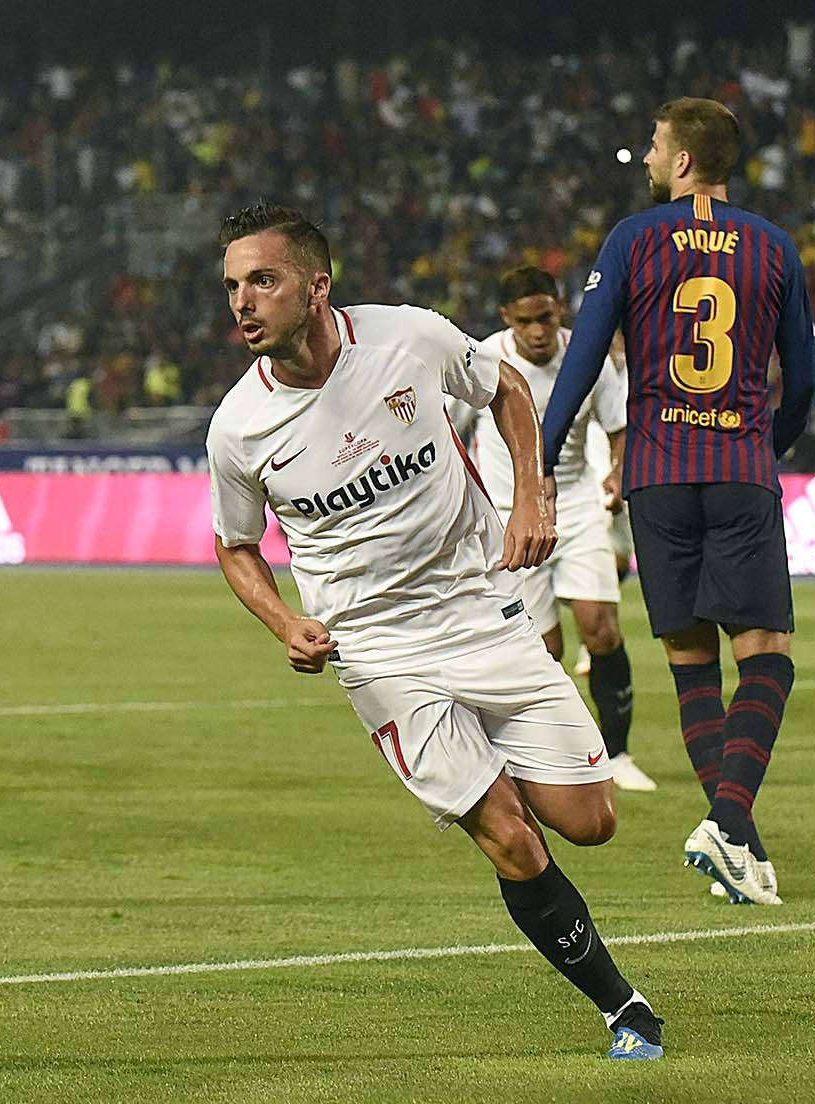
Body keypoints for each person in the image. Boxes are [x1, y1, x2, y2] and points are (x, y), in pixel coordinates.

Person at [207, 204, 664, 1060]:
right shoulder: (237, 426)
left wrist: (533, 493)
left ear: (316, 286)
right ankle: (624, 1007)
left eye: (261, 281)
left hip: (480, 611)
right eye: (232, 286)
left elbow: (508, 389)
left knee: (591, 819)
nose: (242, 302)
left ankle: (483, 778)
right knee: (511, 838)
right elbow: (235, 546)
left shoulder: (408, 338)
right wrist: (284, 621)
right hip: (377, 651)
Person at [542, 99, 815, 905]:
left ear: (686, 161)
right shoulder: (774, 246)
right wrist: (771, 443)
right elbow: (801, 381)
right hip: (739, 466)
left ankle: (740, 844)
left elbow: (585, 358)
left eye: (658, 147)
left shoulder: (633, 239)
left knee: (691, 664)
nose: (651, 158)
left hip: (657, 476)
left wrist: (542, 456)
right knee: (766, 652)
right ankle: (731, 828)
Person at [466, 266, 658, 794]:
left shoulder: (587, 354)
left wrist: (618, 473)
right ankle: (553, 755)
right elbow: (450, 435)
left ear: (560, 310)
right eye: (525, 321)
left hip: (575, 504)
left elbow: (617, 427)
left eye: (546, 318)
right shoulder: (481, 361)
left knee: (601, 629)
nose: (537, 331)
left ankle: (617, 752)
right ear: (507, 318)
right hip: (511, 515)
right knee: (542, 650)